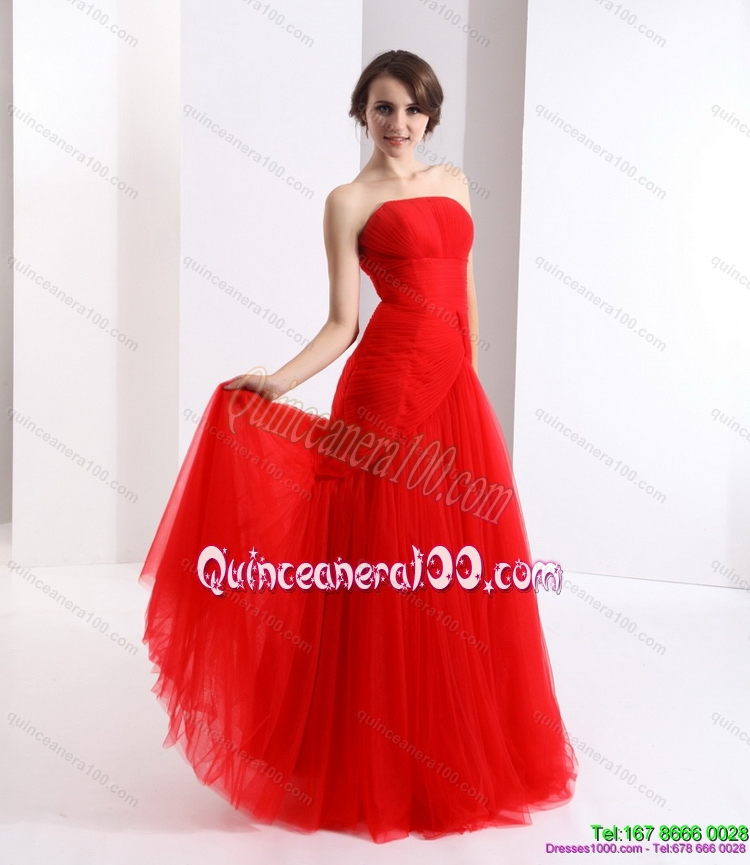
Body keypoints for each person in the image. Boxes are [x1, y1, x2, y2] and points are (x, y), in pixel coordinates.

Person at [139, 49, 577, 844]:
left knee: (451, 576)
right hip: (383, 394)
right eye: (383, 108)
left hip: (452, 395)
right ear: (362, 113)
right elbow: (344, 323)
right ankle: (375, 758)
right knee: (383, 569)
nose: (399, 123)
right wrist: (275, 381)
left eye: (412, 108)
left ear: (430, 114)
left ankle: (446, 748)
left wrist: (470, 390)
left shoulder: (453, 183)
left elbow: (466, 298)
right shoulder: (347, 201)